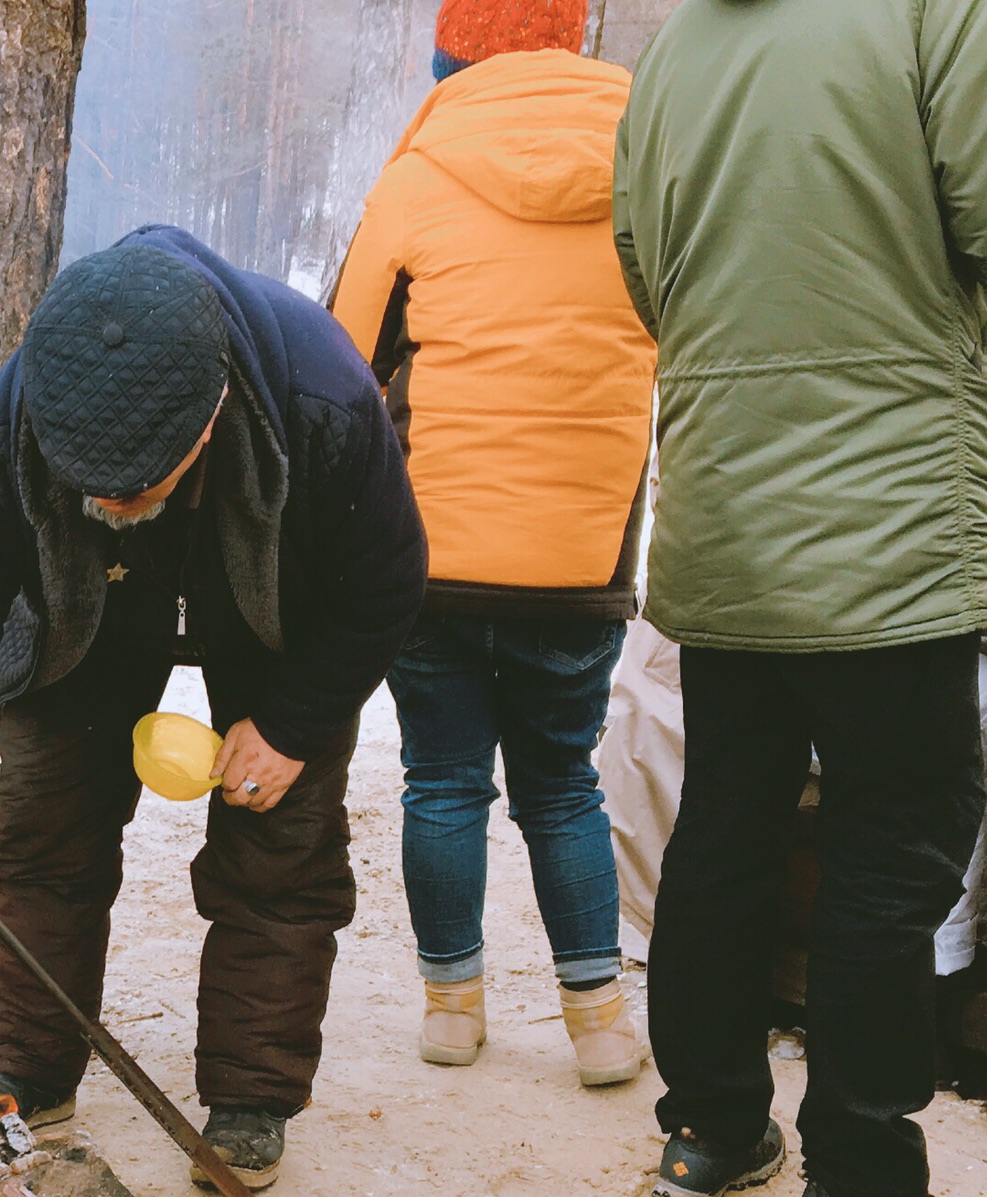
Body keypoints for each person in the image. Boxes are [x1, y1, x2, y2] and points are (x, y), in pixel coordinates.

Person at [0, 229, 426, 1190]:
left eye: (138, 484)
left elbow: (389, 579)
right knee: (44, 833)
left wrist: (297, 722)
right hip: (81, 611)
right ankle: (30, 1073)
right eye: (89, 484)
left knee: (280, 849)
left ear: (213, 413)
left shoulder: (321, 399)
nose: (110, 498)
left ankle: (249, 1101)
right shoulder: (6, 432)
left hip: (276, 612)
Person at [614, 0, 987, 1197]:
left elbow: (643, 270)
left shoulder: (672, 53)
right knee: (898, 837)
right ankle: (866, 1191)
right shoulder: (936, 12)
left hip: (726, 513)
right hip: (889, 522)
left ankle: (709, 1130)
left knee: (725, 825)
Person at [330, 0, 656, 1088]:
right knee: (564, 784)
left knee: (442, 780)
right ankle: (600, 1021)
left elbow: (342, 358)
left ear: (451, 52)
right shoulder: (650, 167)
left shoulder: (419, 172)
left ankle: (454, 1007)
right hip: (579, 553)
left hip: (436, 552)